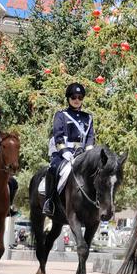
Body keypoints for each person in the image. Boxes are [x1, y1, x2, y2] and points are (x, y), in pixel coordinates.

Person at [42, 82, 95, 217]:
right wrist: (64, 151)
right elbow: (58, 135)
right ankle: (49, 202)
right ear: (68, 98)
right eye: (73, 97)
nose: (77, 100)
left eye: (80, 97)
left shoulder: (88, 117)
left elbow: (90, 137)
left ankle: (96, 203)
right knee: (53, 169)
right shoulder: (61, 115)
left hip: (82, 153)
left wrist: (89, 154)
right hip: (63, 153)